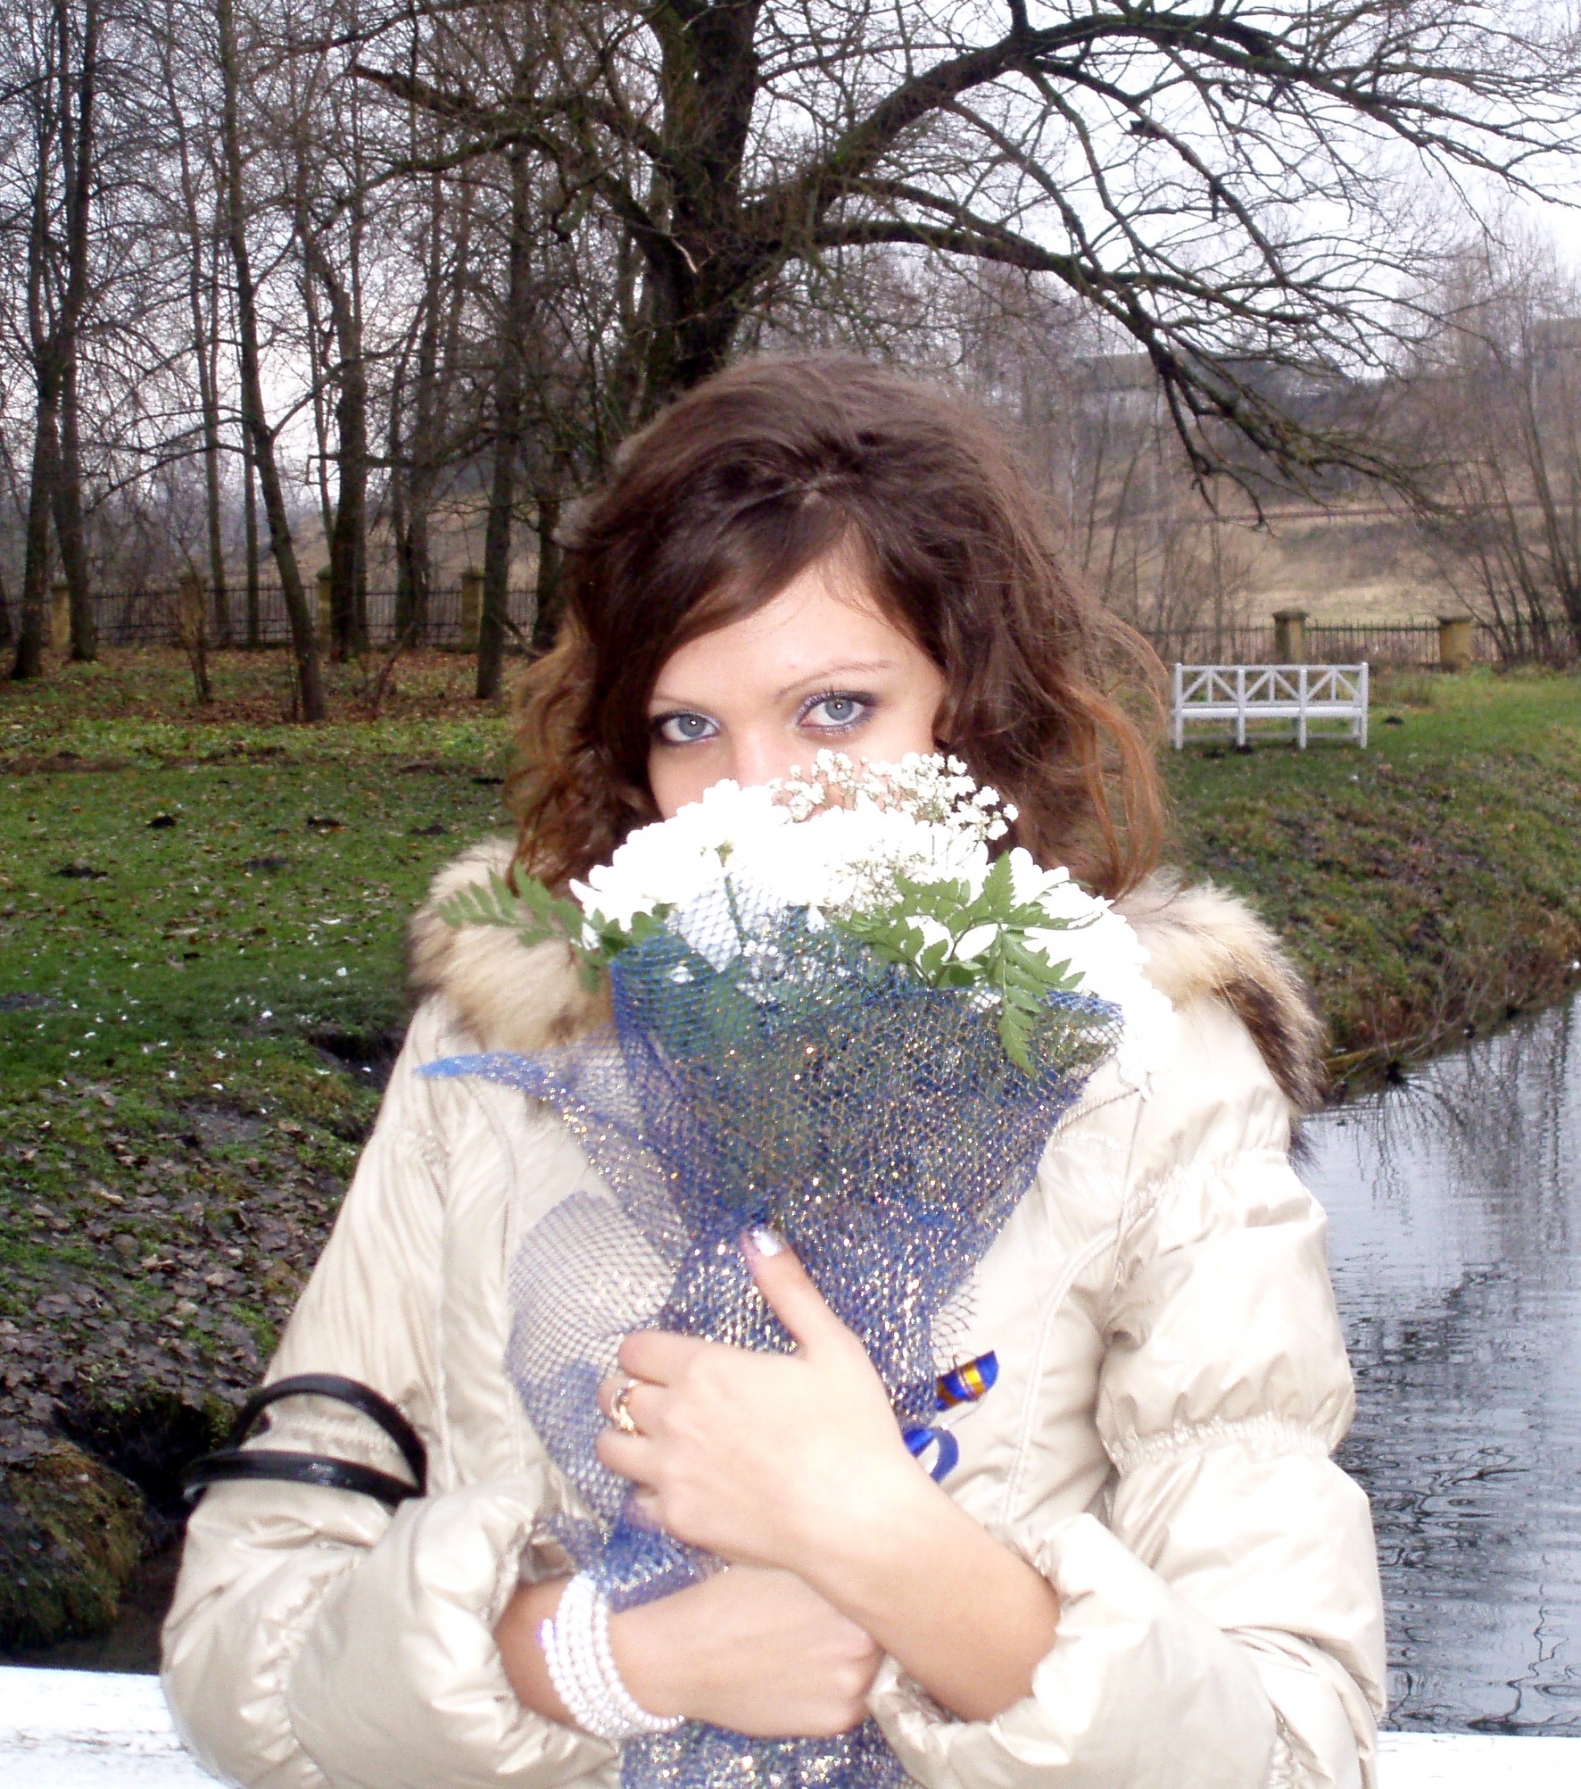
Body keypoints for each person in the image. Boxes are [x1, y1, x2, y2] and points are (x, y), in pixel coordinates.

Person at [162, 356, 1386, 1789]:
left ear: (973, 711)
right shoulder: (498, 1052)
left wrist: (879, 1542)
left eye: (834, 710)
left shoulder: (1149, 1077)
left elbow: (1290, 1747)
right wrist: (608, 1661)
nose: (751, 800)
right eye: (688, 726)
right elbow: (241, 1645)